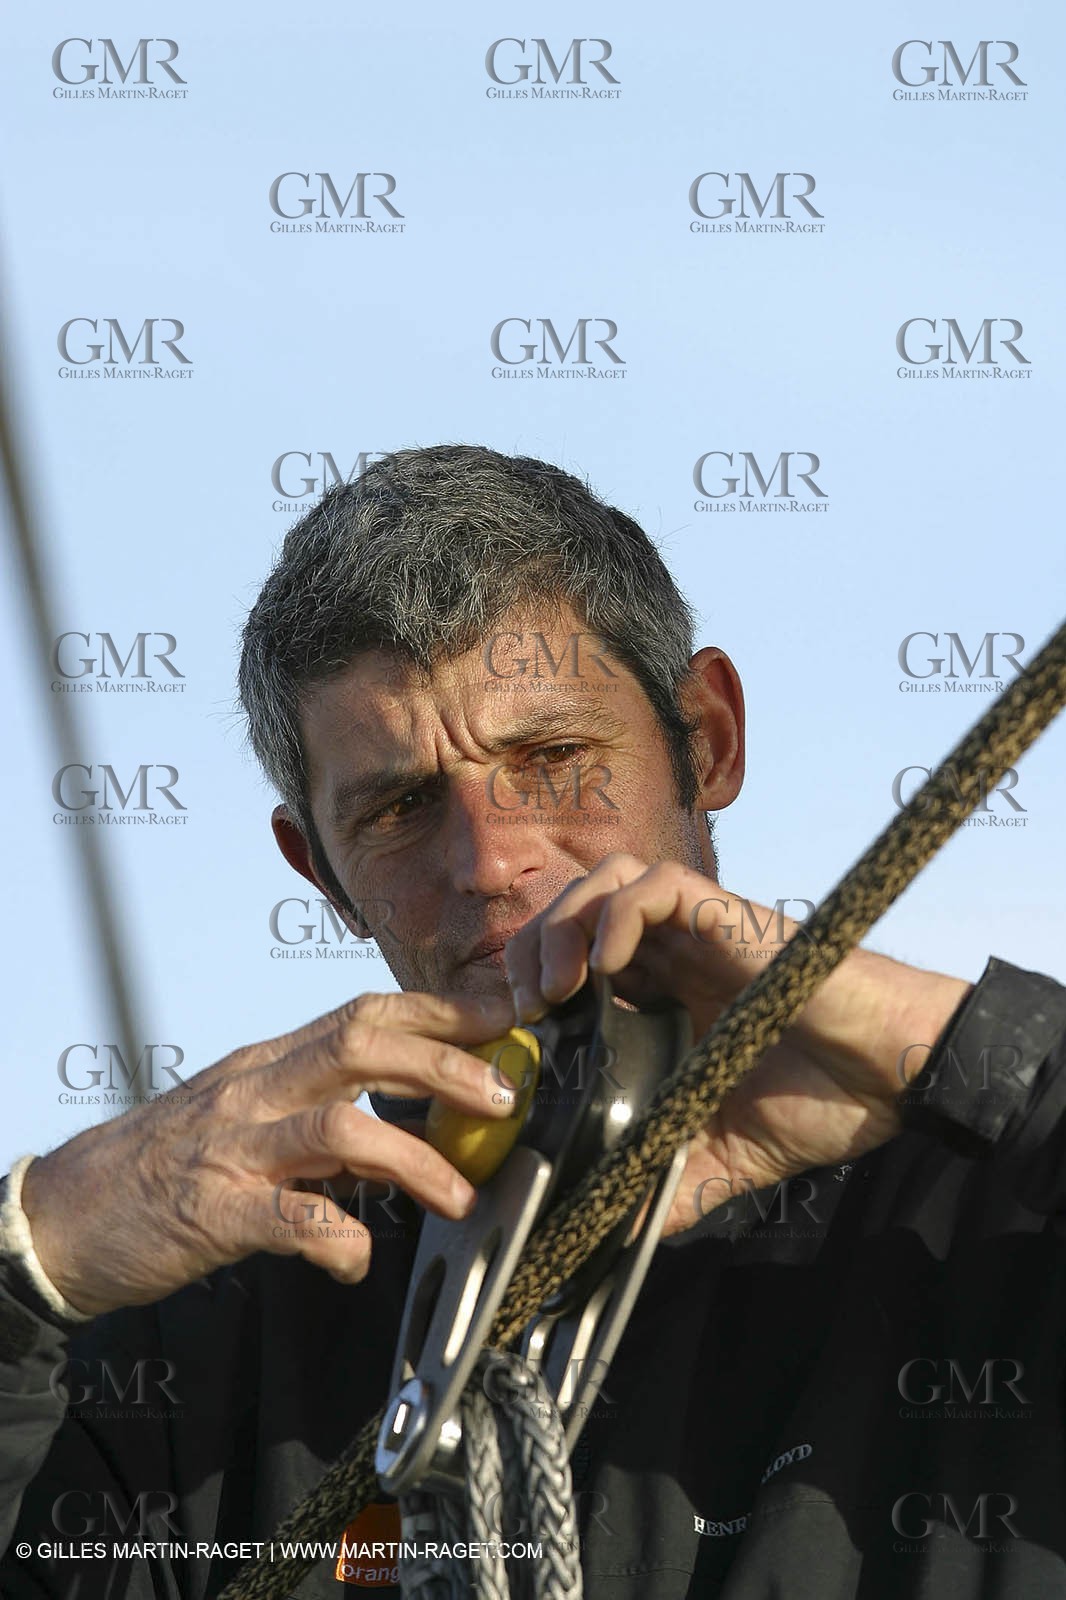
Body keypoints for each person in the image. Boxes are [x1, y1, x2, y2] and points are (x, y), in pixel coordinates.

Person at [2, 444, 1065, 1600]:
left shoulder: (995, 1199)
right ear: (320, 872)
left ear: (707, 738)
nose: (491, 860)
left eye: (554, 758)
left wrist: (949, 1044)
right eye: (402, 808)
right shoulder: (204, 1350)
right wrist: (34, 1251)